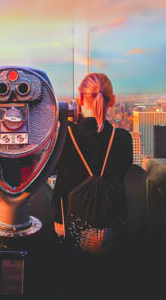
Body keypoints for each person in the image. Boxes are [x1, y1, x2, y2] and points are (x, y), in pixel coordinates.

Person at [51, 73, 133, 299]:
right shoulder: (123, 138)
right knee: (109, 283)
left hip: (72, 224)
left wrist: (58, 219)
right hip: (113, 222)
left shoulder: (65, 137)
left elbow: (58, 178)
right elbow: (124, 171)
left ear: (80, 98)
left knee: (75, 282)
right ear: (111, 100)